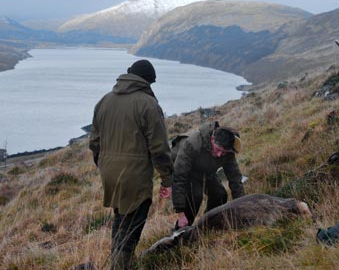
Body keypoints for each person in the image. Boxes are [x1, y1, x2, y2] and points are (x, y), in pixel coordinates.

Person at [89, 59, 174, 270]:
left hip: (109, 173)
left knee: (121, 218)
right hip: (133, 175)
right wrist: (167, 179)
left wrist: (104, 166)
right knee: (133, 224)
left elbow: (94, 143)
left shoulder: (104, 101)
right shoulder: (148, 103)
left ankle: (118, 263)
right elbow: (159, 147)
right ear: (148, 81)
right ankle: (121, 267)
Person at [172, 121, 244, 228]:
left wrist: (242, 206)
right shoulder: (192, 144)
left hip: (207, 171)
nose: (220, 155)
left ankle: (206, 226)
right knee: (195, 196)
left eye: (224, 152)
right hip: (187, 170)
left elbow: (235, 177)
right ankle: (181, 232)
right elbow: (179, 177)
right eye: (218, 150)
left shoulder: (228, 149)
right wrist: (180, 213)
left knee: (220, 194)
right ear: (212, 139)